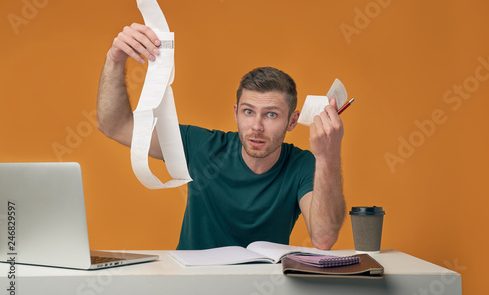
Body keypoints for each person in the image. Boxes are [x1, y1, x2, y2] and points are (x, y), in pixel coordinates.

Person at [97, 23, 346, 250]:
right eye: (249, 112)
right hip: (194, 287)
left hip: (265, 291)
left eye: (271, 115)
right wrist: (114, 58)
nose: (257, 126)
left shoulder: (302, 165)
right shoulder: (201, 147)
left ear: (292, 121)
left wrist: (328, 155)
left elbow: (323, 238)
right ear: (236, 113)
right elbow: (114, 125)